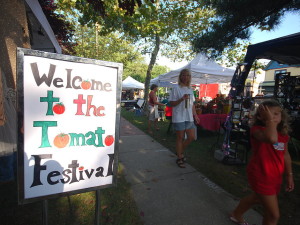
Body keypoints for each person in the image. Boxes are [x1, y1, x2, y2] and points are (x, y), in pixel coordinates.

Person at [230, 100, 294, 225]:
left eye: (276, 114)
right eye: (269, 114)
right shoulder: (257, 130)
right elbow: (271, 139)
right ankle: (236, 214)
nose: (273, 117)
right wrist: (270, 121)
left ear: (282, 115)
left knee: (257, 198)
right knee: (273, 215)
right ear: (260, 116)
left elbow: (285, 154)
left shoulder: (283, 134)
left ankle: (236, 214)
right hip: (260, 174)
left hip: (275, 176)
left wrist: (289, 175)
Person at [169, 69, 200, 168]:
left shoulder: (190, 89)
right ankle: (179, 157)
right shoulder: (176, 88)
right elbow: (172, 104)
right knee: (180, 138)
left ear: (189, 77)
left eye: (187, 75)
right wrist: (181, 99)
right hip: (179, 117)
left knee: (191, 137)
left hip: (189, 117)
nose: (185, 77)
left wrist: (195, 115)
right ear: (180, 76)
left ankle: (179, 151)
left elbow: (192, 105)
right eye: (183, 75)